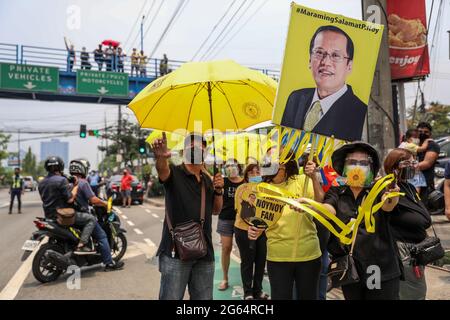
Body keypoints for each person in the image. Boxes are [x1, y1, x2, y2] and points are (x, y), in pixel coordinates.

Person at [320, 142, 401, 300]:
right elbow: (328, 209)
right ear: (344, 165)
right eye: (352, 162)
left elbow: (388, 205)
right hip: (350, 268)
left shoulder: (378, 188)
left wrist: (393, 196)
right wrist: (310, 207)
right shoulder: (337, 190)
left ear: (370, 166)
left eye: (363, 162)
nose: (357, 166)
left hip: (376, 267)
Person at [151, 132, 224, 300]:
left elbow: (216, 210)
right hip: (175, 252)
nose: (197, 149)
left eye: (201, 147)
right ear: (184, 151)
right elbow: (163, 170)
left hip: (204, 252)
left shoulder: (208, 179)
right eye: (192, 146)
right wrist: (161, 158)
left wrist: (219, 190)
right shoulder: (174, 173)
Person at [248, 159, 324, 300]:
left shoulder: (302, 180)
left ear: (286, 163)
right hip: (278, 257)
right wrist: (254, 229)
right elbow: (260, 220)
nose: (271, 162)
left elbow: (321, 205)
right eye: (268, 159)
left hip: (309, 255)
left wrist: (313, 177)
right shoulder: (261, 188)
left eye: (277, 158)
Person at [280, 25, 367, 141]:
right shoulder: (295, 99)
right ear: (310, 60)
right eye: (319, 53)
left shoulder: (360, 111)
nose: (325, 62)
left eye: (336, 55)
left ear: (349, 66)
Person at [384, 148, 431, 300]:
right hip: (403, 251)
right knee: (415, 294)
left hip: (417, 250)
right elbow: (387, 205)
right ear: (394, 166)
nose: (413, 166)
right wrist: (391, 192)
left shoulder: (408, 186)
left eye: (413, 162)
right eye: (407, 163)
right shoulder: (388, 187)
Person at [69, 159, 124, 270]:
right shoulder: (83, 182)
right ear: (82, 169)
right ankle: (109, 263)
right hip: (82, 215)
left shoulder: (67, 182)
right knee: (102, 235)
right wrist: (105, 203)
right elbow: (93, 199)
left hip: (70, 215)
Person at [38, 156, 96, 254]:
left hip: (48, 215)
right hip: (63, 216)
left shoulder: (42, 182)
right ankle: (82, 245)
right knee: (91, 219)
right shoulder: (61, 180)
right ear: (61, 166)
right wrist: (76, 185)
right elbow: (70, 199)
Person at [234, 163, 269, 300]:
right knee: (247, 261)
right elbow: (242, 211)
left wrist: (261, 228)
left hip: (262, 230)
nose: (255, 175)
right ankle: (248, 292)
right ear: (246, 175)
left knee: (260, 261)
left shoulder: (266, 189)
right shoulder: (241, 189)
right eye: (251, 172)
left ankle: (258, 290)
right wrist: (250, 201)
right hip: (243, 229)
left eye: (257, 172)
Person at [217, 159, 245, 291]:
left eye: (233, 165)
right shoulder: (223, 182)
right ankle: (225, 278)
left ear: (239, 167)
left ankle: (248, 281)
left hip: (243, 220)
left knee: (246, 250)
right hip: (225, 219)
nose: (230, 167)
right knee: (226, 248)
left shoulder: (245, 182)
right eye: (227, 165)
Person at [398, 128, 431, 193]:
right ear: (408, 138)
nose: (418, 139)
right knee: (416, 186)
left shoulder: (403, 144)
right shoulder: (409, 145)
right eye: (416, 137)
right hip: (410, 169)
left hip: (404, 169)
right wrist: (426, 141)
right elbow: (422, 148)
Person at [416, 122, 440, 206]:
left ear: (430, 134)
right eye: (420, 131)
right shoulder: (414, 144)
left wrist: (407, 167)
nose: (422, 134)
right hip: (411, 181)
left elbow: (427, 163)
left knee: (422, 208)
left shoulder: (432, 145)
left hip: (425, 184)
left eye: (425, 132)